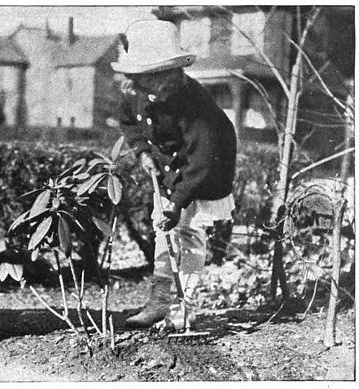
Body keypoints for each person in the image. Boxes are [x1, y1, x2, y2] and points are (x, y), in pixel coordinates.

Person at [111, 20, 237, 328]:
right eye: (135, 77)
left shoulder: (196, 105)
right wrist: (142, 152)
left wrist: (177, 202)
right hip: (169, 165)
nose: (136, 84)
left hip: (206, 170)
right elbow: (128, 121)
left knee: (189, 233)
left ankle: (184, 307)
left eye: (144, 78)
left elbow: (202, 162)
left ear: (164, 75)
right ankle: (159, 302)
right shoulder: (137, 91)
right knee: (163, 230)